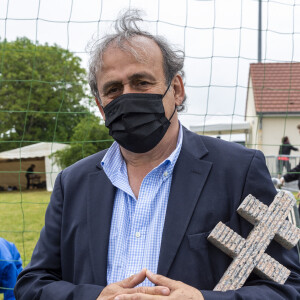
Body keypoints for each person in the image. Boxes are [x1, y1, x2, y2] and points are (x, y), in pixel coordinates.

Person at [15, 10, 300, 300]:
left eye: (142, 82)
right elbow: (33, 284)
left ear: (176, 90)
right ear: (101, 108)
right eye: (113, 89)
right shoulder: (72, 183)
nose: (127, 96)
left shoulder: (238, 170)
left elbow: (288, 287)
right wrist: (94, 298)